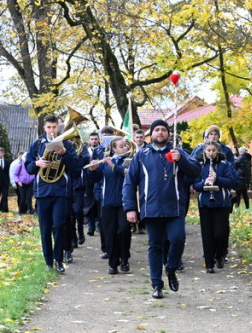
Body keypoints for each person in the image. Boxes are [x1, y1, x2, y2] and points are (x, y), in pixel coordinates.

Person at [123, 118, 200, 298]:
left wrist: (181, 160)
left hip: (174, 208)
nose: (160, 133)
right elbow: (129, 183)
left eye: (163, 130)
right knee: (155, 246)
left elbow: (196, 172)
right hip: (151, 208)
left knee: (178, 239)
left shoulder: (178, 152)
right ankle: (156, 284)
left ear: (168, 133)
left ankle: (171, 269)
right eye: (156, 130)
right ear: (152, 134)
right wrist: (130, 208)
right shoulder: (141, 155)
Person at [24, 114, 81, 272]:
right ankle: (48, 261)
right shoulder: (36, 145)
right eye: (48, 128)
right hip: (42, 191)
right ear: (44, 128)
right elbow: (28, 168)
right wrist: (37, 163)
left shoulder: (67, 145)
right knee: (45, 228)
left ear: (58, 128)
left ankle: (58, 260)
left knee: (59, 226)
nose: (51, 131)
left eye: (54, 127)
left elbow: (76, 170)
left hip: (61, 191)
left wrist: (64, 154)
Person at [193, 142, 239, 272]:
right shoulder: (200, 166)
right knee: (207, 234)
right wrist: (204, 182)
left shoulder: (225, 165)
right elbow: (195, 185)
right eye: (208, 150)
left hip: (222, 202)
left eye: (213, 150)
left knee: (220, 233)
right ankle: (209, 264)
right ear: (204, 152)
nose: (211, 153)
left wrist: (217, 179)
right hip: (205, 203)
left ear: (217, 151)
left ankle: (220, 254)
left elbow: (233, 182)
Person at [89, 137, 131, 275]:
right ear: (114, 149)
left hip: (124, 202)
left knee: (124, 230)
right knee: (110, 234)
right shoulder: (105, 162)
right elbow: (94, 179)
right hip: (107, 202)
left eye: (125, 146)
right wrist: (93, 169)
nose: (124, 148)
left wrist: (113, 166)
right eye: (121, 146)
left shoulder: (130, 162)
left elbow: (128, 174)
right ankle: (113, 264)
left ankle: (124, 258)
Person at [233, 146, 251, 211]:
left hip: (240, 178)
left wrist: (235, 158)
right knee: (245, 194)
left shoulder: (241, 158)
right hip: (245, 178)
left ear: (242, 152)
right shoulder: (248, 158)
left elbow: (235, 164)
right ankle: (247, 207)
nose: (239, 152)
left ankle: (237, 207)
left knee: (238, 193)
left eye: (240, 151)